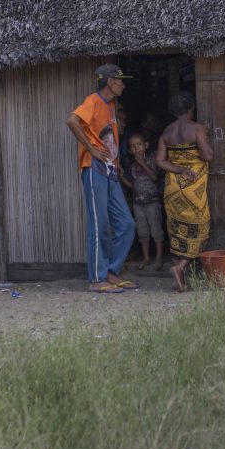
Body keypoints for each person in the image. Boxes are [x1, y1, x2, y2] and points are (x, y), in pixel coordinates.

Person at [66, 64, 137, 293]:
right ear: (110, 82)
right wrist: (91, 149)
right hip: (94, 168)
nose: (123, 85)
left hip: (110, 171)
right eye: (121, 81)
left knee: (126, 224)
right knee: (100, 224)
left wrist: (116, 165)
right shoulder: (94, 101)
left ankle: (111, 272)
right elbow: (72, 121)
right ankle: (97, 279)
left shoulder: (111, 106)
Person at [156, 91, 213, 292]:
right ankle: (180, 267)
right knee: (201, 228)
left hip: (172, 188)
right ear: (191, 108)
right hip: (193, 188)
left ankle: (179, 271)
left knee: (178, 230)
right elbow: (206, 155)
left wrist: (179, 168)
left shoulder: (166, 132)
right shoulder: (197, 128)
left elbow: (160, 161)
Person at [121, 133, 164, 270]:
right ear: (129, 151)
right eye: (133, 147)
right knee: (143, 232)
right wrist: (121, 177)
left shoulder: (151, 160)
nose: (136, 148)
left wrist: (143, 163)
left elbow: (154, 177)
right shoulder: (132, 166)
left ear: (146, 145)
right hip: (138, 204)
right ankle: (146, 258)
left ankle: (159, 258)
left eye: (139, 144)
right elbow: (134, 187)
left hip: (152, 202)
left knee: (156, 231)